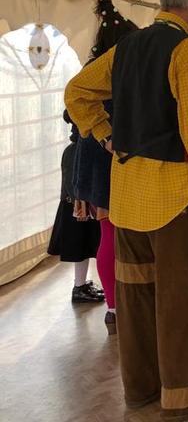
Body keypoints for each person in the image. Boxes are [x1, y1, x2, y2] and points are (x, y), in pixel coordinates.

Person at [65, 0, 188, 420]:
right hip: (177, 197)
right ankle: (185, 400)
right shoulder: (187, 49)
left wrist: (104, 132)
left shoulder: (127, 47)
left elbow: (76, 92)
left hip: (128, 195)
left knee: (136, 298)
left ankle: (140, 390)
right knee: (183, 298)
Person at [71, 0, 138, 333]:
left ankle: (114, 308)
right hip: (115, 153)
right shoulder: (125, 70)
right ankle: (125, 304)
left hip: (95, 153)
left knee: (107, 231)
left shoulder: (91, 70)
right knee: (122, 234)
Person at [47, 110, 103, 304]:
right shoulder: (77, 151)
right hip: (79, 207)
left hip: (81, 205)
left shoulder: (74, 149)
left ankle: (81, 285)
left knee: (85, 247)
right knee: (81, 247)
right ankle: (79, 287)